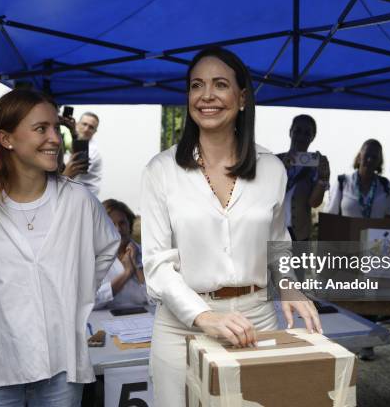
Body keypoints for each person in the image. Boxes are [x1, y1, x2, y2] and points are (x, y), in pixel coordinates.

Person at [140, 46, 321, 407]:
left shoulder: (271, 168)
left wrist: (289, 286)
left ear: (241, 98)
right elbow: (157, 265)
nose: (206, 96)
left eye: (219, 85)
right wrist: (204, 316)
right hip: (181, 328)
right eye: (196, 86)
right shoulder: (161, 170)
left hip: (256, 318)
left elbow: (278, 243)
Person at [0, 89, 120, 406]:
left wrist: (71, 292)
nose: (54, 139)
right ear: (7, 139)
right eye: (40, 129)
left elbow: (107, 248)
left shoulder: (77, 200)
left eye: (55, 128)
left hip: (62, 371)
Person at [325, 138, 390, 361]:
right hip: (346, 247)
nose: (369, 158)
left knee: (369, 296)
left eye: (375, 155)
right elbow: (332, 215)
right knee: (345, 295)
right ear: (359, 155)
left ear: (379, 161)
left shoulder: (384, 185)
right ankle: (343, 341)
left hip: (374, 248)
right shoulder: (343, 181)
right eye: (367, 153)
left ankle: (367, 342)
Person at [277, 115, 330, 242]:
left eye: (307, 133)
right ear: (290, 132)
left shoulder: (316, 166)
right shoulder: (275, 161)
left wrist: (323, 178)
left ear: (313, 137)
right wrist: (282, 169)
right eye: (297, 131)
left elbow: (314, 203)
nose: (301, 137)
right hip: (276, 232)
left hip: (300, 234)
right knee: (277, 263)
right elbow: (266, 196)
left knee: (299, 262)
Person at [95, 199, 149, 310]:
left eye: (122, 223)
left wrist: (137, 265)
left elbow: (157, 299)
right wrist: (127, 274)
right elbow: (90, 302)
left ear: (130, 225)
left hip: (145, 319)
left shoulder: (146, 254)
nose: (118, 229)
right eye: (111, 224)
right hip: (105, 322)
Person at [63, 112, 102, 196]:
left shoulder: (92, 151)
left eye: (91, 127)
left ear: (95, 131)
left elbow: (72, 173)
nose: (86, 129)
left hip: (85, 200)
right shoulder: (69, 141)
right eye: (84, 124)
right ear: (76, 124)